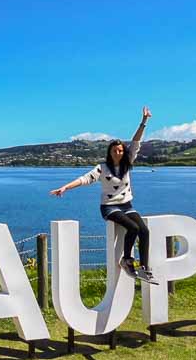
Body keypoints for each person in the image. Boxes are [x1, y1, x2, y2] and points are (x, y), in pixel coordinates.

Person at [50, 107, 158, 284]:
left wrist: (144, 121)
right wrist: (65, 188)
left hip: (127, 205)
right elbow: (85, 179)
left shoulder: (128, 163)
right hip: (109, 208)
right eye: (115, 150)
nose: (118, 153)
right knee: (133, 228)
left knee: (144, 230)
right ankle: (127, 260)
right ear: (110, 152)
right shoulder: (102, 168)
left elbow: (136, 141)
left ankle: (144, 268)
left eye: (121, 150)